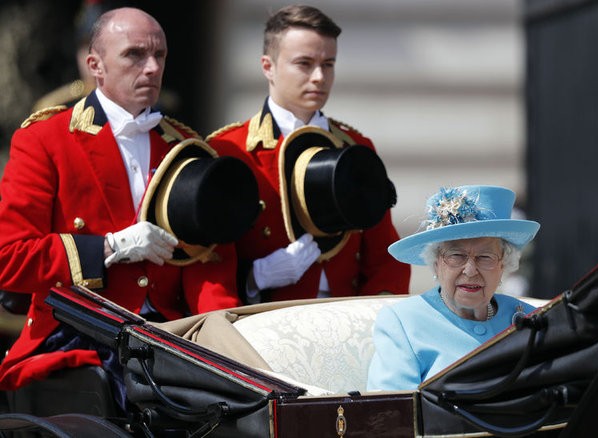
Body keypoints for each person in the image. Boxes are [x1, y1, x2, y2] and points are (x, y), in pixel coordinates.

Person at [0, 7, 243, 403]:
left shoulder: (185, 146)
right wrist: (110, 247)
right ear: (94, 64)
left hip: (171, 337)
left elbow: (209, 261)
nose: (151, 68)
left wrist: (218, 336)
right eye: (134, 54)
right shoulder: (45, 140)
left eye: (159, 56)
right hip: (77, 335)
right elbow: (9, 259)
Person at [206, 4, 410, 303]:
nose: (319, 77)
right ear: (268, 66)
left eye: (328, 64)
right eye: (304, 63)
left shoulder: (355, 146)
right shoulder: (229, 149)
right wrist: (255, 276)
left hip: (346, 321)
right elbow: (208, 266)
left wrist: (375, 325)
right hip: (263, 324)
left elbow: (384, 257)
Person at [367, 185, 540, 391]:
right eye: (456, 256)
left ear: (503, 265)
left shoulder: (530, 318)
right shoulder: (403, 323)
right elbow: (391, 411)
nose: (470, 270)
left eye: (485, 257)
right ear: (436, 263)